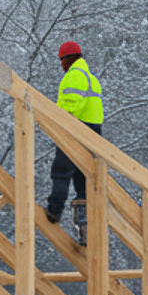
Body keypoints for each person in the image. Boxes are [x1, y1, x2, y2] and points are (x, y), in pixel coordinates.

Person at [44, 40, 104, 243]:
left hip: (75, 129)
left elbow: (69, 106)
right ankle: (86, 231)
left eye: (62, 60)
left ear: (69, 58)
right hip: (93, 134)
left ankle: (54, 210)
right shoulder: (91, 78)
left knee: (61, 172)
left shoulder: (74, 76)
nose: (61, 65)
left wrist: (57, 124)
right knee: (83, 182)